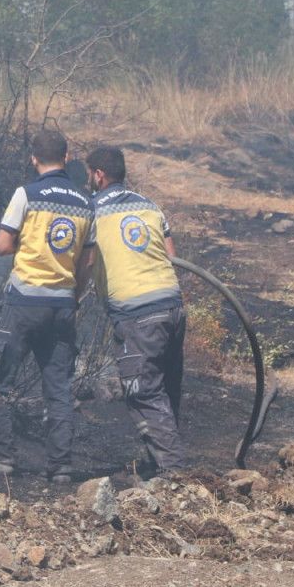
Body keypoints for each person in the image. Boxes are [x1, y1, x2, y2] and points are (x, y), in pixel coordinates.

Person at [0, 129, 96, 483]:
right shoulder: (84, 201)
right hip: (62, 305)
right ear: (67, 155)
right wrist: (74, 296)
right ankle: (60, 466)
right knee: (58, 387)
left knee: (0, 378)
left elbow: (1, 245)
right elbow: (87, 262)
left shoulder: (26, 194)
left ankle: (2, 458)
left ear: (33, 158)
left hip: (24, 304)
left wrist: (26, 245)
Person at [85, 145, 187, 476]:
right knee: (165, 391)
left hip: (138, 315)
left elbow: (84, 262)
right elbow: (170, 255)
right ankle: (160, 464)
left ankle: (174, 477)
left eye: (90, 174)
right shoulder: (150, 205)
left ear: (98, 175)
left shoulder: (91, 210)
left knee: (142, 391)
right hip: (172, 307)